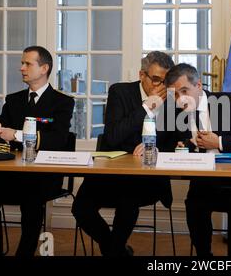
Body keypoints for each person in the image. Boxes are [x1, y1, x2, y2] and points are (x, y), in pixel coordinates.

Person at [161, 63, 231, 256]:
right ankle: (204, 257)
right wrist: (180, 147)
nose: (181, 99)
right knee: (194, 205)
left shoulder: (229, 102)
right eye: (175, 94)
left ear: (198, 86)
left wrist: (219, 142)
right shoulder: (173, 112)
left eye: (184, 91)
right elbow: (165, 145)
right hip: (204, 181)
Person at [71, 51, 175, 256]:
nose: (160, 87)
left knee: (128, 200)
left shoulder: (171, 101)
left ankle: (114, 251)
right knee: (81, 207)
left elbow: (173, 142)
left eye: (165, 81)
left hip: (147, 178)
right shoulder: (120, 92)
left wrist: (155, 148)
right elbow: (113, 136)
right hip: (112, 172)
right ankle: (115, 249)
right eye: (155, 80)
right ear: (142, 75)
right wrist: (147, 106)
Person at [0, 46, 74, 256]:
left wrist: (17, 135)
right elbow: (1, 127)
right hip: (13, 173)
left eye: (27, 64)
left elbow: (58, 139)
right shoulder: (13, 100)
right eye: (22, 63)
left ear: (44, 68)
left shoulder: (62, 102)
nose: (21, 68)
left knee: (32, 203)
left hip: (44, 175)